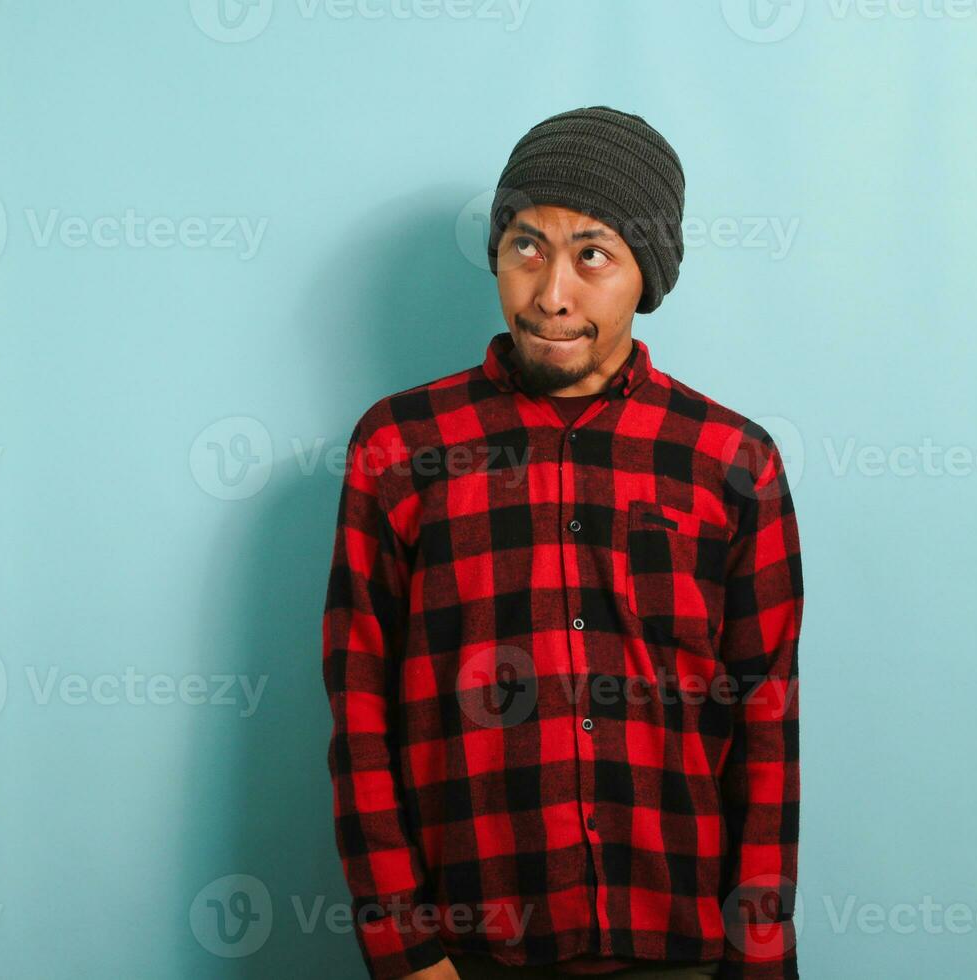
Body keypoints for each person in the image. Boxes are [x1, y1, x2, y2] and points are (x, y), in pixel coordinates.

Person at [322, 105, 803, 980]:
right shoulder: (400, 448)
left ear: (645, 276)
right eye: (525, 246)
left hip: (681, 948)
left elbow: (767, 727)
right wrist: (405, 954)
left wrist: (760, 955)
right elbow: (360, 717)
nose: (550, 293)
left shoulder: (732, 462)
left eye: (593, 254)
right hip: (465, 958)